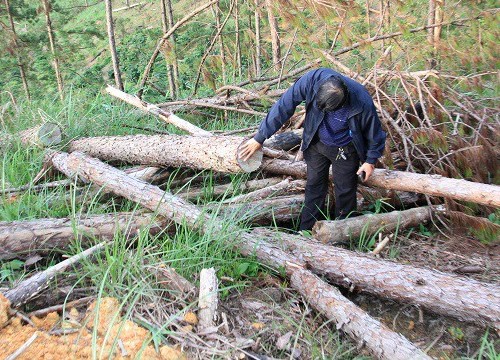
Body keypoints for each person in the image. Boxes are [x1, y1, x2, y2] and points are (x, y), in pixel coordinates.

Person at [239, 68, 386, 231]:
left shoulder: (361, 100)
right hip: (316, 142)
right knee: (314, 186)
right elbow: (284, 106)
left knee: (345, 190)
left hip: (345, 149)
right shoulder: (312, 80)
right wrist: (260, 138)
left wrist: (370, 160)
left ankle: (343, 233)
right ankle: (306, 231)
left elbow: (374, 132)